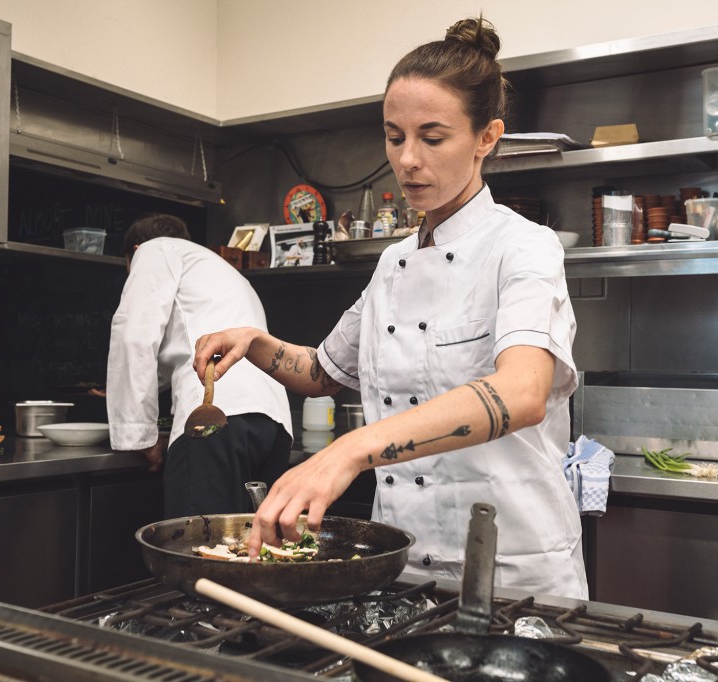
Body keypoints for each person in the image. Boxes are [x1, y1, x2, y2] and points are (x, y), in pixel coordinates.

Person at [193, 17, 586, 598]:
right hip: (402, 566)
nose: (406, 160)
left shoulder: (523, 247)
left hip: (509, 571)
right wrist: (257, 343)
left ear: (487, 137)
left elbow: (522, 393)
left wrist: (351, 450)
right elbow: (325, 371)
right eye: (394, 136)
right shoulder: (392, 263)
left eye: (432, 137)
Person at [106, 213, 293, 517]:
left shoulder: (153, 251)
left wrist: (140, 438)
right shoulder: (219, 270)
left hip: (214, 421)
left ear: (135, 252)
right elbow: (185, 346)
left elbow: (134, 336)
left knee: (199, 552)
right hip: (273, 426)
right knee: (253, 553)